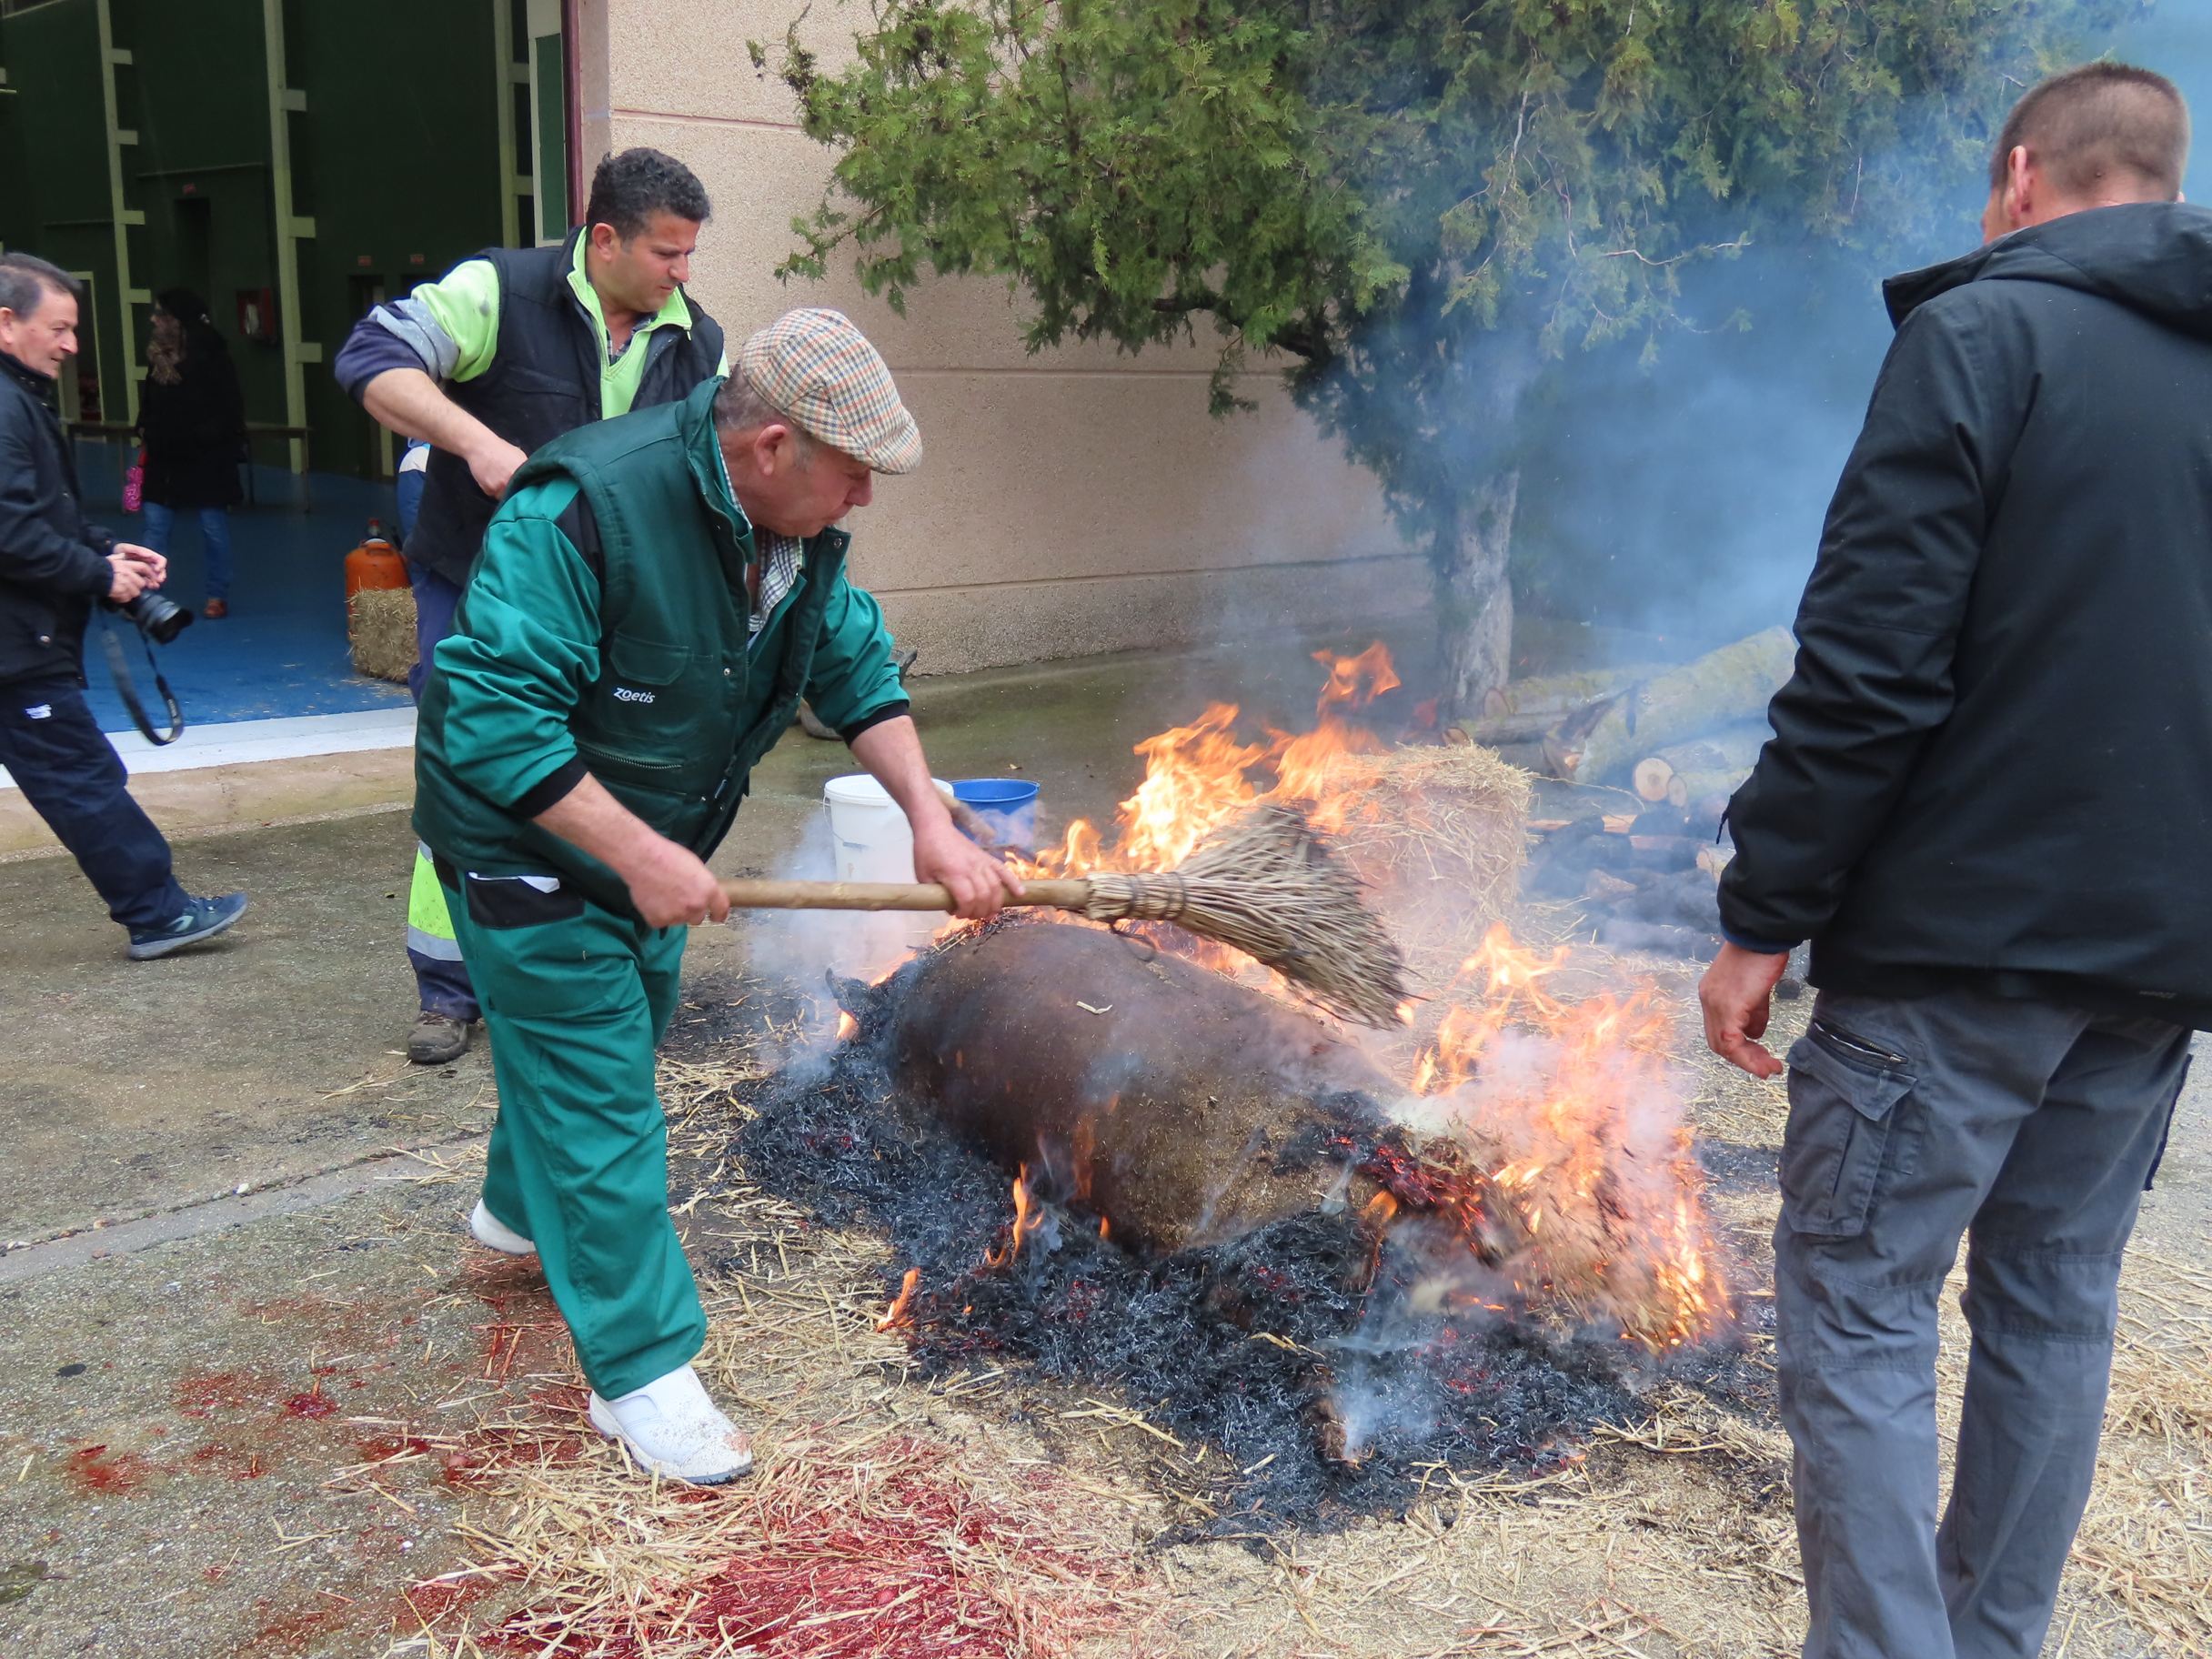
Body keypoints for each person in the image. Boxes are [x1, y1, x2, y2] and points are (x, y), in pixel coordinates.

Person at [1698, 64, 2203, 1659]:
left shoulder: (1978, 336)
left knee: (1855, 1305)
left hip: (1950, 954)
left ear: (2017, 177)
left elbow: (1868, 669)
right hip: (2156, 961)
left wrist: (1759, 913)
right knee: (2052, 1302)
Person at [413, 308, 1018, 1483]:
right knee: (600, 1096)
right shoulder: (584, 510)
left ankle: (511, 1223)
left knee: (604, 1044)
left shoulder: (794, 539)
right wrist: (633, 853)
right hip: (524, 843)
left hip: (655, 844)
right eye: (853, 473)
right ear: (771, 447)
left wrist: (930, 822)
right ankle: (641, 1376)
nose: (866, 501)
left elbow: (855, 667)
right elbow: (489, 714)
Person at [333, 146, 727, 1068]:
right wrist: (474, 443)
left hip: (601, 605)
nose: (682, 274)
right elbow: (372, 358)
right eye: (667, 254)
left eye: (688, 256)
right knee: (471, 772)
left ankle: (574, 965)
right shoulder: (497, 292)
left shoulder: (694, 339)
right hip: (473, 581)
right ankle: (446, 986)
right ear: (604, 239)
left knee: (587, 779)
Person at [0, 253, 247, 959]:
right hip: (18, 649)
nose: (73, 345)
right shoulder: (4, 406)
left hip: (21, 640)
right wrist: (98, 576)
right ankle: (157, 913)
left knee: (78, 774)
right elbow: (10, 529)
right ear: (7, 322)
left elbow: (37, 511)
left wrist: (109, 552)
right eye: (61, 328)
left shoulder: (17, 398)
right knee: (81, 779)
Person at [137, 288, 245, 619]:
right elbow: (151, 398)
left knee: (212, 526)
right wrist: (146, 428)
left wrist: (205, 435)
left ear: (176, 319)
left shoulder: (211, 354)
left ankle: (217, 594)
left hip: (205, 457)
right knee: (155, 525)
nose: (154, 320)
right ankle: (147, 597)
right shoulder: (158, 356)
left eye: (161, 314)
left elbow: (229, 406)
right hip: (163, 454)